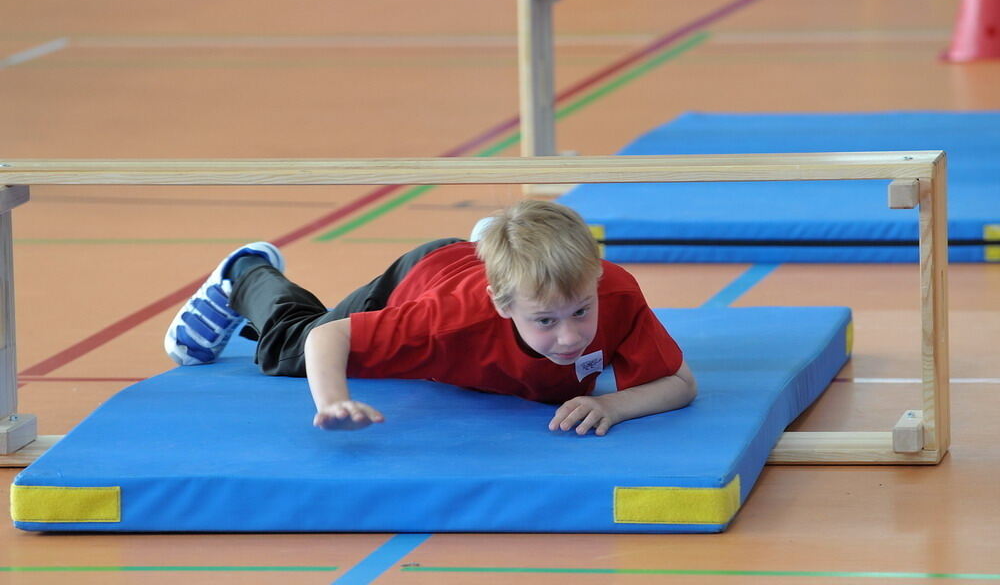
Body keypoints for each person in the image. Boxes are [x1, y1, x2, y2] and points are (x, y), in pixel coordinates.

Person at [164, 200, 696, 436]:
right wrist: (334, 400)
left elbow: (679, 382)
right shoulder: (446, 323)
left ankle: (490, 240)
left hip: (483, 272)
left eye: (582, 311)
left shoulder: (615, 290)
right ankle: (247, 274)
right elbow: (329, 337)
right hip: (422, 276)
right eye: (545, 322)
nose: (571, 336)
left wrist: (615, 404)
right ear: (503, 306)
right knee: (290, 349)